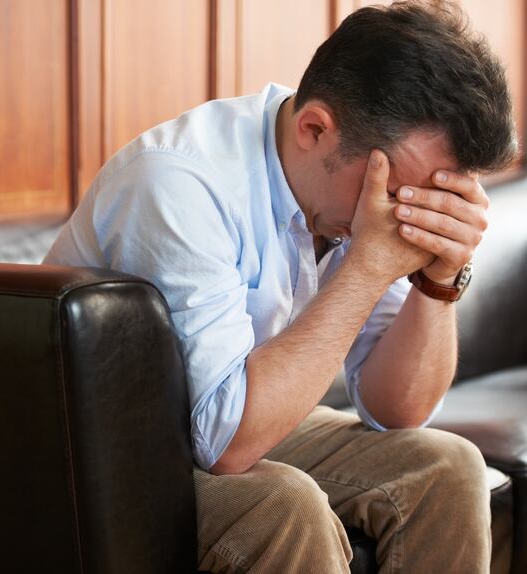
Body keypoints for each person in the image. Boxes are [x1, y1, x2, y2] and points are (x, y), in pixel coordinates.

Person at [43, 1, 519, 572]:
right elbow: (228, 444)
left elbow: (398, 411)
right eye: (401, 195)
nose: (405, 221)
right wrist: (367, 268)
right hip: (99, 451)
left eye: (434, 201)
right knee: (284, 505)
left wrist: (439, 280)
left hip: (223, 417)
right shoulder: (180, 182)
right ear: (315, 128)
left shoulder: (359, 194)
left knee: (449, 466)